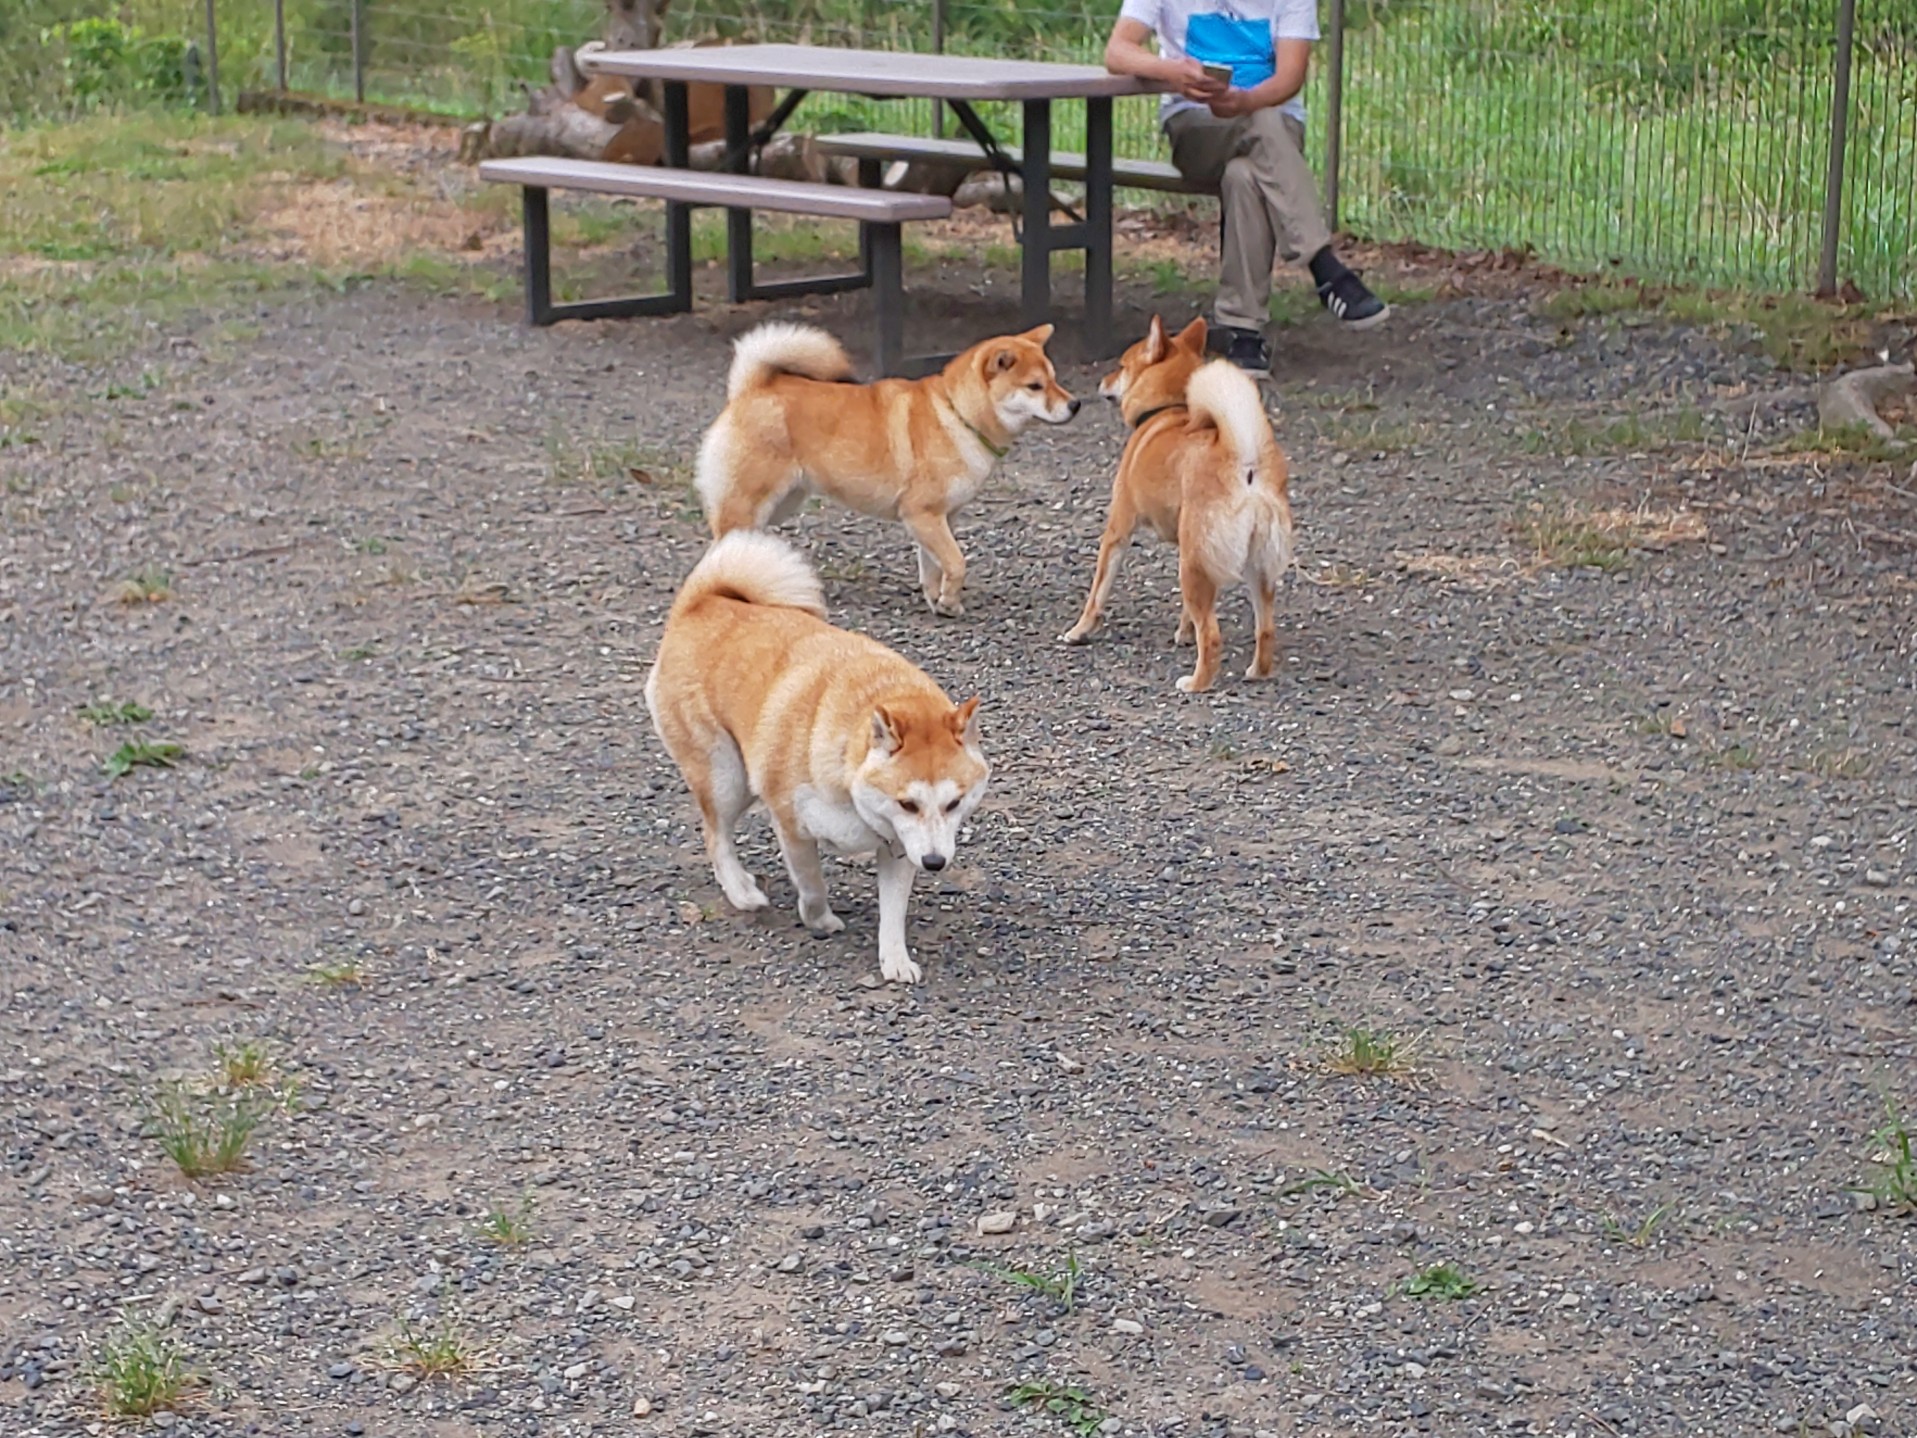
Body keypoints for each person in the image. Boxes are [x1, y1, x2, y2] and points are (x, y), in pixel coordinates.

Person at [1104, 0, 1388, 377]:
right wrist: (1172, 72)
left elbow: (1290, 75)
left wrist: (1245, 100)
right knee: (1261, 129)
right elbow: (1117, 51)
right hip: (1196, 126)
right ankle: (1325, 269)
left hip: (1272, 129)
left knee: (1244, 174)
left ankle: (1243, 332)